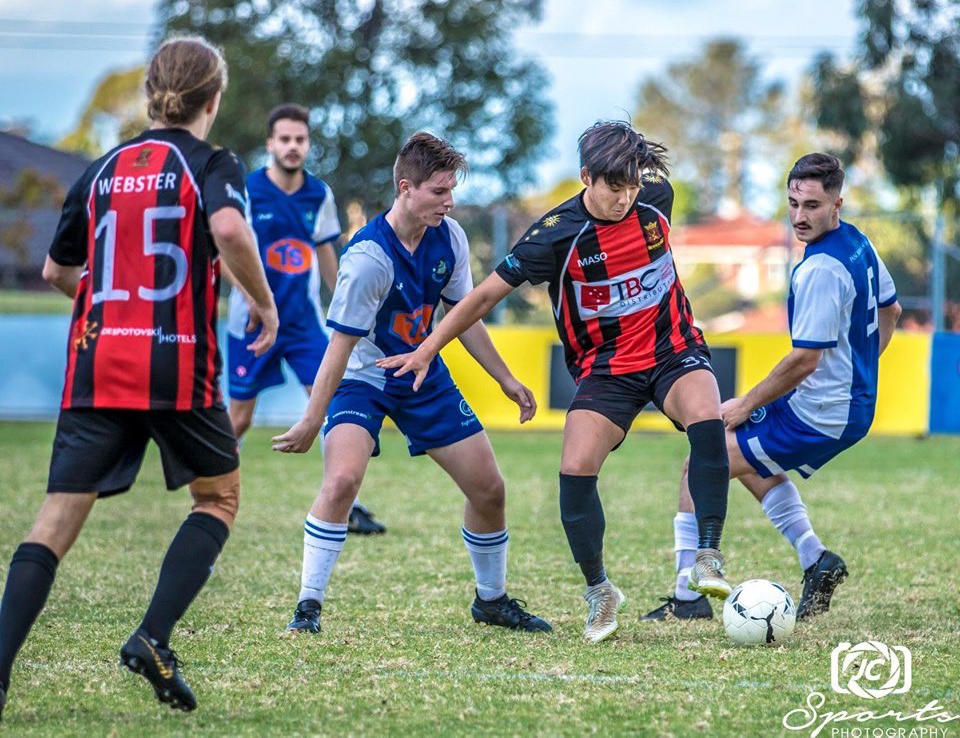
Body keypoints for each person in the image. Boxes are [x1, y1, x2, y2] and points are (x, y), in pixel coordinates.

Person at [0, 36, 278, 720]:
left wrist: (110, 304)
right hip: (174, 356)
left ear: (154, 92)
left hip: (98, 361)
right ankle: (152, 637)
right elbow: (232, 230)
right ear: (212, 100)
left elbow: (57, 271)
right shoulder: (212, 162)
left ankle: (0, 670)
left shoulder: (99, 168)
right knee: (217, 498)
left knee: (56, 518)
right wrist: (264, 306)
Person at [378, 121, 732, 643]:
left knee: (708, 417)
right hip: (606, 368)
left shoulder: (656, 198)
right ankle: (600, 591)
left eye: (633, 184)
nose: (625, 197)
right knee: (574, 467)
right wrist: (428, 347)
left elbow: (645, 198)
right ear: (586, 176)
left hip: (672, 349)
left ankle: (707, 556)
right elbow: (479, 299)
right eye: (614, 187)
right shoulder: (555, 234)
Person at [271, 132, 551, 635]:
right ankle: (307, 607)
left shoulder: (451, 238)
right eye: (440, 192)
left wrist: (505, 378)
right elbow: (338, 349)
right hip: (364, 377)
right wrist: (313, 419)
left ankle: (491, 601)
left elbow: (464, 315)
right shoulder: (367, 260)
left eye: (452, 191)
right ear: (406, 188)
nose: (450, 202)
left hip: (423, 372)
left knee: (489, 489)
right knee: (341, 481)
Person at [642, 153, 901, 622]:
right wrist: (860, 370)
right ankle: (816, 559)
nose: (800, 216)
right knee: (744, 462)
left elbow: (804, 359)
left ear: (837, 202)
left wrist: (745, 403)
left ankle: (687, 596)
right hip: (845, 401)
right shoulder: (859, 243)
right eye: (793, 203)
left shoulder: (821, 269)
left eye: (813, 205)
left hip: (822, 410)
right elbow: (892, 312)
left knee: (703, 459)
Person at [226, 103, 386, 534]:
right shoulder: (245, 190)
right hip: (252, 322)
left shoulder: (319, 193)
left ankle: (344, 500)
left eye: (300, 139)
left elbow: (325, 252)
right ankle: (213, 494)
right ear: (270, 144)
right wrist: (253, 299)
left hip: (303, 322)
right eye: (285, 139)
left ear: (307, 144)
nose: (293, 147)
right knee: (239, 416)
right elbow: (225, 252)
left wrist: (346, 303)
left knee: (331, 399)